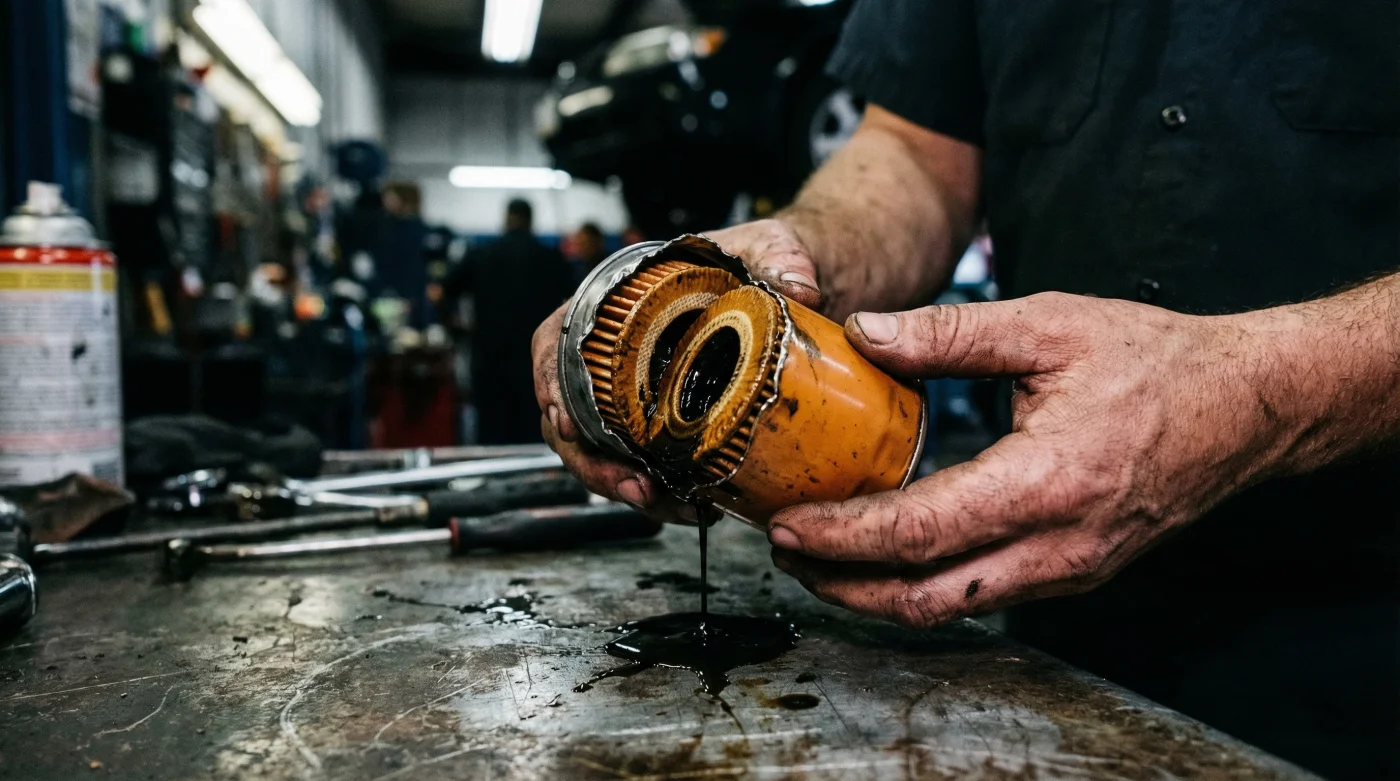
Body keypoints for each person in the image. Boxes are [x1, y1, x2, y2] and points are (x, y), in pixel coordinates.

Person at [531, 3, 1399, 778]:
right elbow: (915, 156)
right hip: (1053, 619)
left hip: (1363, 630)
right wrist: (802, 252)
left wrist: (1245, 390)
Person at [444, 198, 572, 444]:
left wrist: (456, 329)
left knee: (491, 434)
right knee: (535, 433)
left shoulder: (481, 254)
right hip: (536, 362)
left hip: (489, 360)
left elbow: (443, 292)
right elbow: (574, 304)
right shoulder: (550, 258)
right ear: (530, 220)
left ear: (507, 218)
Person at [566, 222, 609, 286]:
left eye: (585, 243)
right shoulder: (572, 266)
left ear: (597, 243)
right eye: (579, 243)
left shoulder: (608, 264)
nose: (582, 248)